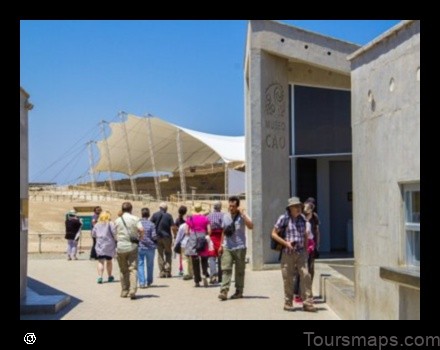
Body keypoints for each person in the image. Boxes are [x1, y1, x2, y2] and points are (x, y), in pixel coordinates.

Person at [271, 197, 316, 312]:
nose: (299, 208)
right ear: (290, 208)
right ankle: (288, 302)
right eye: (296, 206)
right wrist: (286, 243)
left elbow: (305, 235)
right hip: (288, 253)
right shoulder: (283, 218)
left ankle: (308, 302)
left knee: (306, 275)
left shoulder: (303, 218)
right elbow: (274, 234)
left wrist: (306, 250)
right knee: (288, 278)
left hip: (301, 252)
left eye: (299, 206)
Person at [218, 196, 253, 301]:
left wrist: (243, 214)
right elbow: (223, 231)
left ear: (237, 206)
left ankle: (239, 291)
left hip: (240, 247)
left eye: (233, 206)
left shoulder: (242, 216)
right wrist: (221, 245)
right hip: (227, 247)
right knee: (226, 269)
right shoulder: (225, 216)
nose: (231, 208)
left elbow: (251, 226)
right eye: (230, 205)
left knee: (239, 271)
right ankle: (224, 291)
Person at [293, 197, 320, 303]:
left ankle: (308, 293)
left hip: (311, 246)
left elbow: (317, 231)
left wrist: (317, 246)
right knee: (300, 270)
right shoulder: (300, 217)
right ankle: (298, 293)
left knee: (310, 270)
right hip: (301, 246)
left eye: (312, 207)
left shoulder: (315, 217)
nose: (309, 209)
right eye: (308, 206)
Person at [114, 202, 144, 299]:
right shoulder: (135, 218)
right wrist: (141, 237)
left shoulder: (117, 220)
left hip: (120, 247)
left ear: (122, 210)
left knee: (123, 270)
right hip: (132, 246)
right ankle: (133, 290)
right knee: (133, 269)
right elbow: (141, 229)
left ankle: (124, 290)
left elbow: (114, 233)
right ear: (131, 209)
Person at [185, 203, 211, 287]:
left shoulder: (190, 218)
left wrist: (191, 234)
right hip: (202, 238)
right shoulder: (205, 218)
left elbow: (186, 232)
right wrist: (204, 234)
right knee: (204, 259)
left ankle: (197, 280)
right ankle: (204, 274)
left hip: (193, 239)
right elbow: (209, 231)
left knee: (195, 261)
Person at [151, 203, 176, 278]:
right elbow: (173, 227)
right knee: (168, 253)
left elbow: (151, 224)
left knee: (160, 254)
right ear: (166, 209)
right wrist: (175, 235)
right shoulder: (169, 216)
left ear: (159, 207)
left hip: (158, 237)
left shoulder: (155, 215)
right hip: (167, 237)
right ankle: (168, 271)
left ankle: (162, 272)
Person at [92, 211, 117, 284]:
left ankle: (100, 277)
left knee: (100, 261)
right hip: (109, 245)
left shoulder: (97, 224)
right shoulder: (110, 223)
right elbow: (114, 233)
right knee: (109, 261)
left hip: (100, 244)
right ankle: (109, 276)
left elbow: (93, 234)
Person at [138, 208, 157, 288]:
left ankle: (142, 282)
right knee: (150, 265)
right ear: (148, 215)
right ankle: (149, 281)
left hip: (140, 246)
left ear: (141, 214)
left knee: (140, 264)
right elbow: (153, 236)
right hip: (150, 247)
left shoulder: (138, 223)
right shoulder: (151, 224)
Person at [173, 206, 193, 280]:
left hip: (183, 243)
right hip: (192, 244)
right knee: (190, 258)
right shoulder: (193, 226)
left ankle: (185, 272)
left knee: (184, 258)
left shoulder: (181, 225)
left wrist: (175, 243)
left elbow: (178, 235)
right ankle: (191, 273)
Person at [207, 200, 224, 284]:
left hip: (212, 237)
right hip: (221, 236)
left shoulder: (208, 216)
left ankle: (213, 276)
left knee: (212, 257)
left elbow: (207, 228)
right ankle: (221, 276)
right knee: (221, 257)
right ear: (220, 207)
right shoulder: (223, 215)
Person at [174, 205, 188, 276]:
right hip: (185, 239)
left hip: (179, 238)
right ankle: (183, 268)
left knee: (181, 256)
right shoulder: (184, 222)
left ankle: (181, 269)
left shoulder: (177, 220)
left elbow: (175, 229)